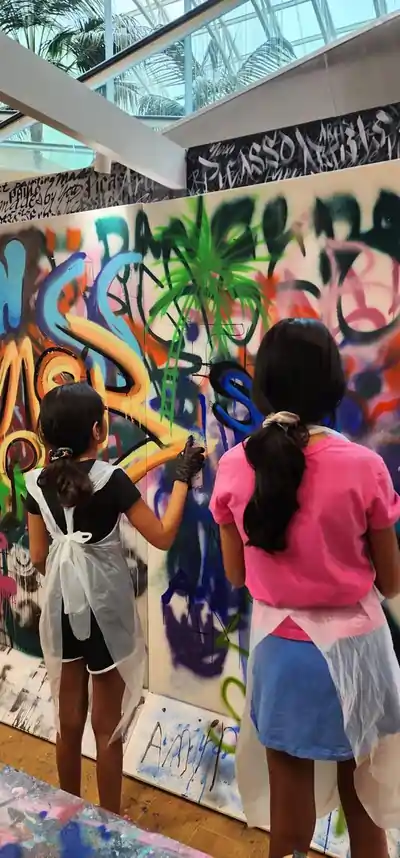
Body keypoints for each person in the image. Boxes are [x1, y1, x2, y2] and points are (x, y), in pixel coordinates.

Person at [210, 318, 400, 858]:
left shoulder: (235, 466)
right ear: (333, 387)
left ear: (264, 387)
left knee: (287, 826)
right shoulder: (365, 467)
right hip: (356, 660)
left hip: (281, 658)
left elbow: (236, 575)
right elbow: (391, 581)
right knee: (366, 815)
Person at [26, 381, 204, 815]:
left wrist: (69, 574)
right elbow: (162, 536)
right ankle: (109, 822)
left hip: (63, 609)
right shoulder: (111, 480)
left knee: (68, 721)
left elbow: (38, 557)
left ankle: (68, 812)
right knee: (107, 727)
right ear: (97, 430)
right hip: (105, 614)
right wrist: (182, 478)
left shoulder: (35, 483)